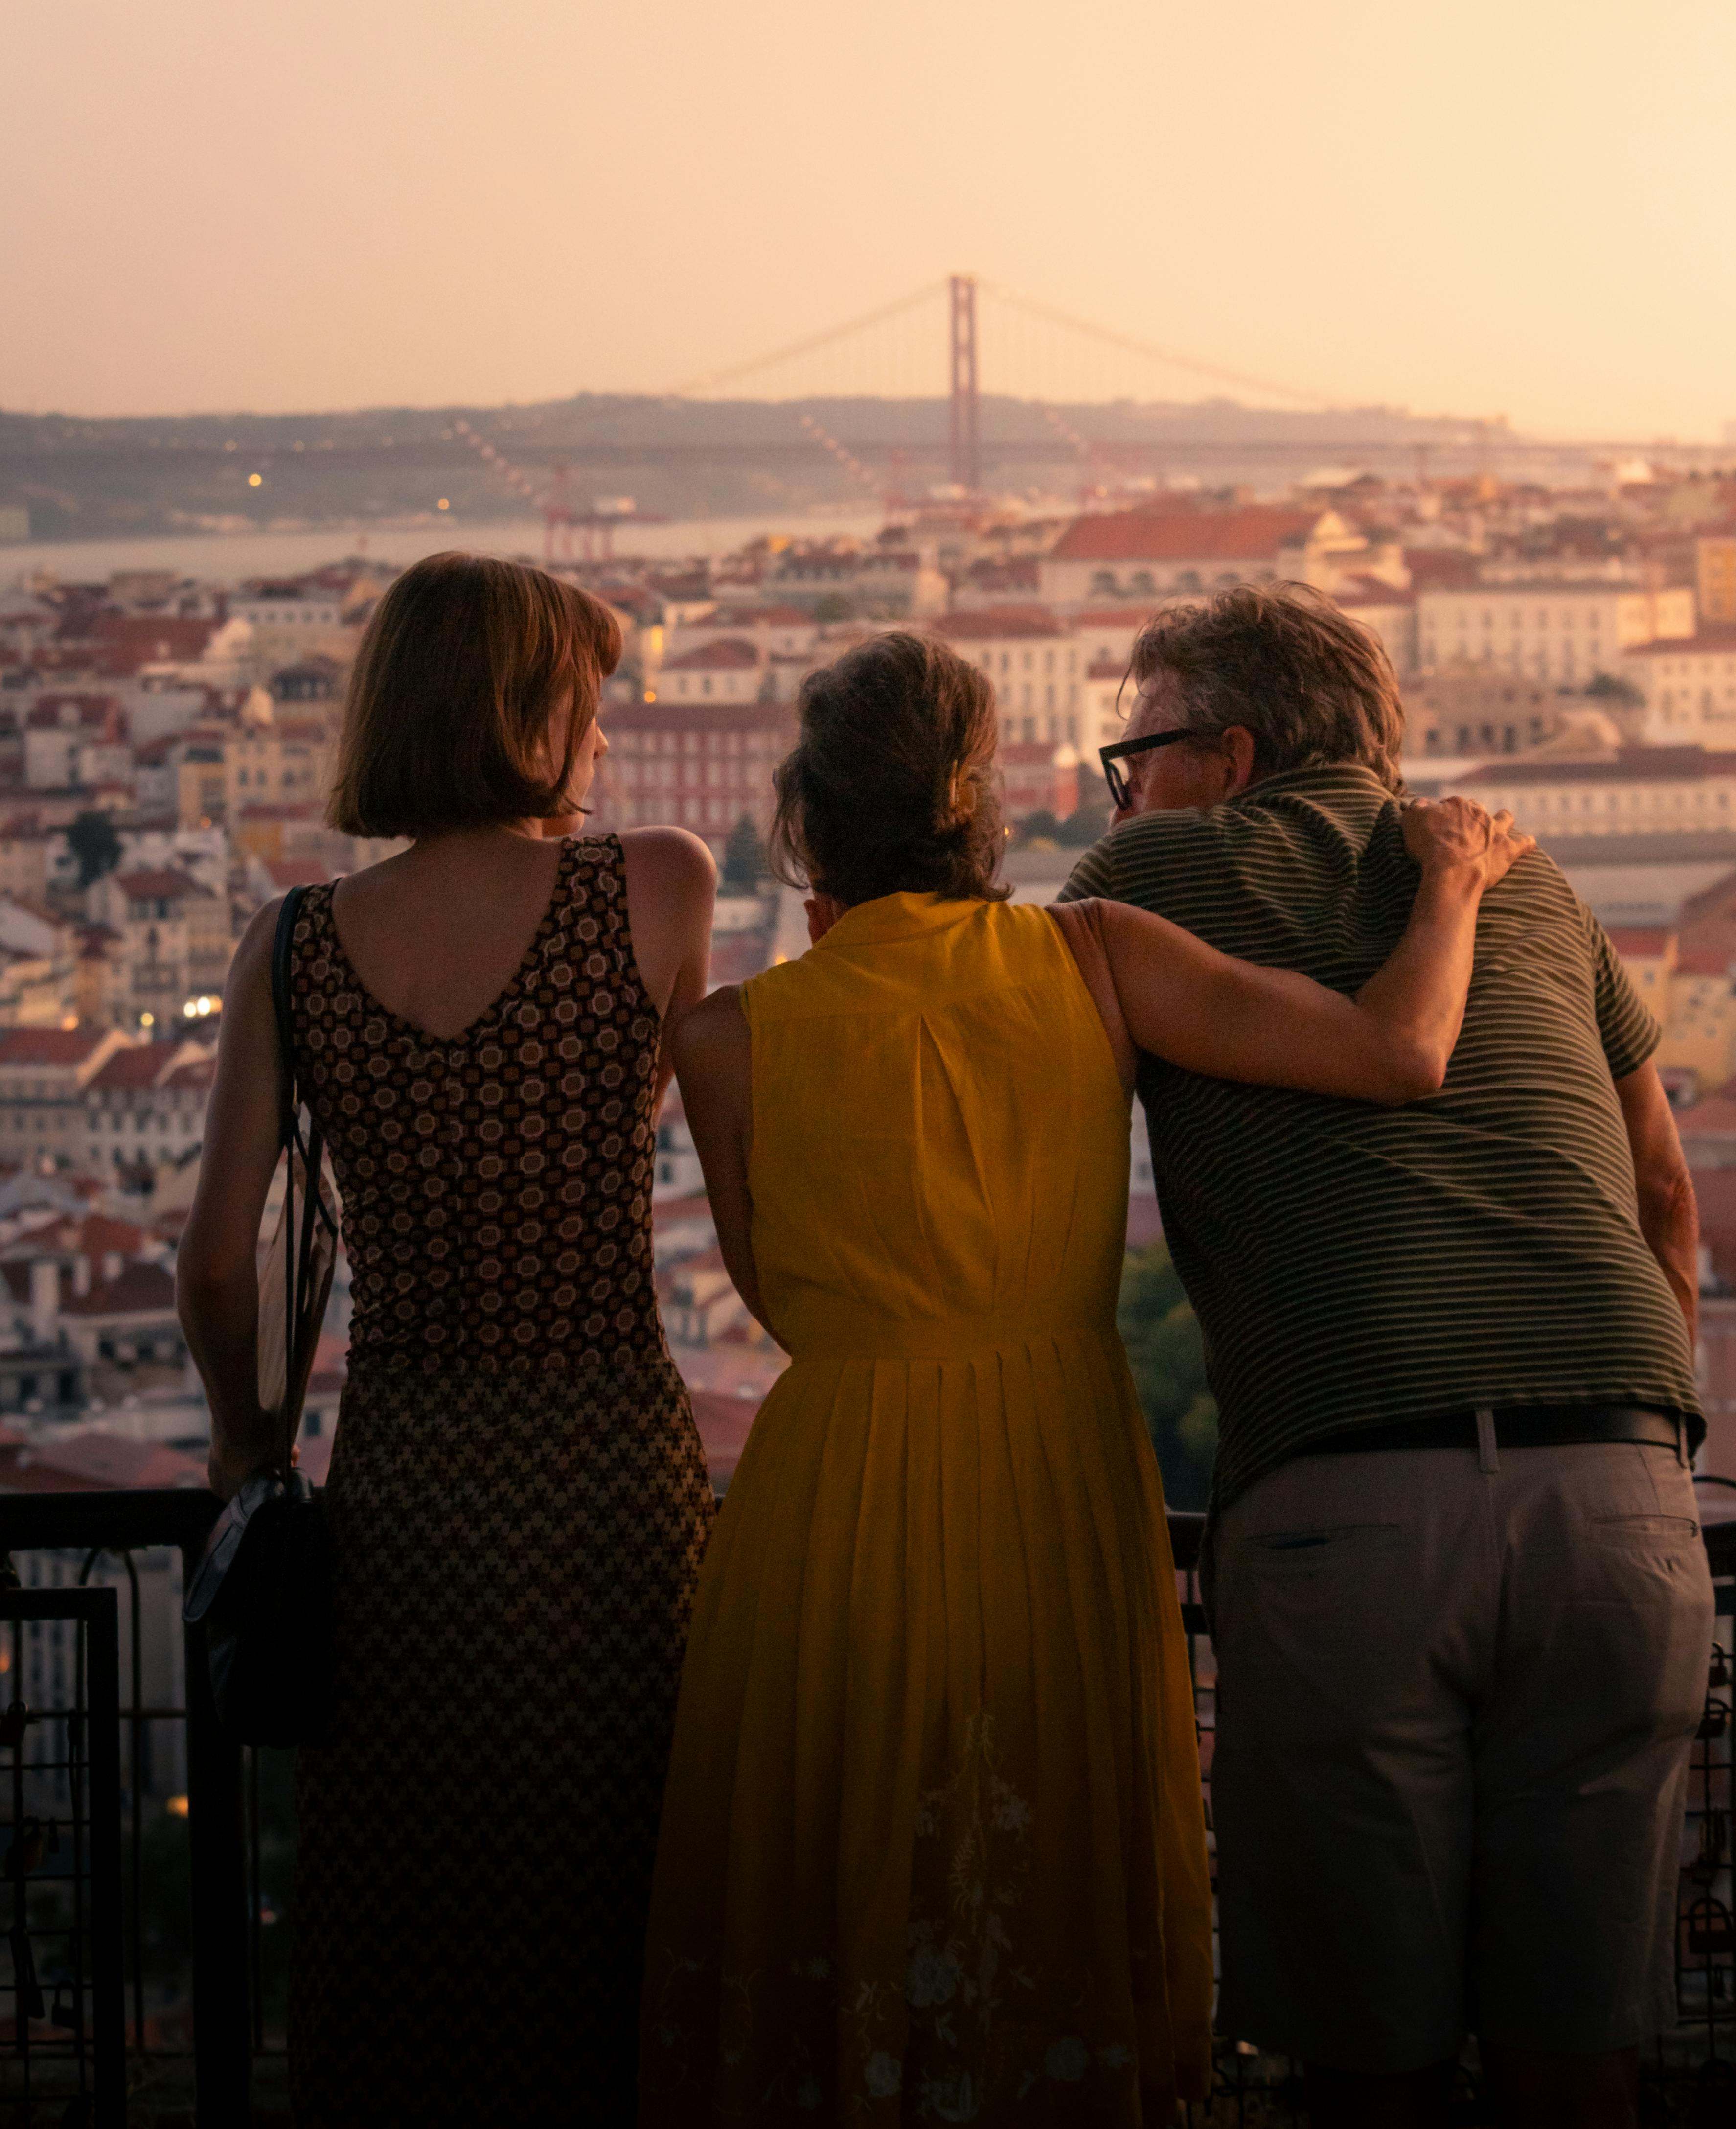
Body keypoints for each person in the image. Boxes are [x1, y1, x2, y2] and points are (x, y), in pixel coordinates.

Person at [636, 629, 1528, 2129]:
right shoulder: (1092, 954)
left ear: (810, 822)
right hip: (1051, 1465)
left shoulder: (726, 1037)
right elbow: (1399, 1052)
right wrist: (1452, 881)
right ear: (977, 802)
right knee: (1043, 1859)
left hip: (832, 1483)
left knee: (841, 1853)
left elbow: (774, 1289)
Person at [1062, 583, 1714, 2129]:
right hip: (1616, 1486)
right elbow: (1668, 1196)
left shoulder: (1148, 873)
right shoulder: (1529, 883)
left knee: (1375, 2066)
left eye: (1131, 752)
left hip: (1352, 1500)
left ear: (1223, 754)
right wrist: (1647, 1450)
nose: (1120, 788)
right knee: (1580, 2059)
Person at [177, 552, 718, 2129]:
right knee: (625, 1916)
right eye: (588, 705)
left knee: (422, 1937)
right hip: (612, 1481)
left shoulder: (293, 947)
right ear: (522, 710)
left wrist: (246, 1448)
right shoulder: (661, 885)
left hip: (405, 1494)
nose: (606, 742)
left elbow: (218, 1263)